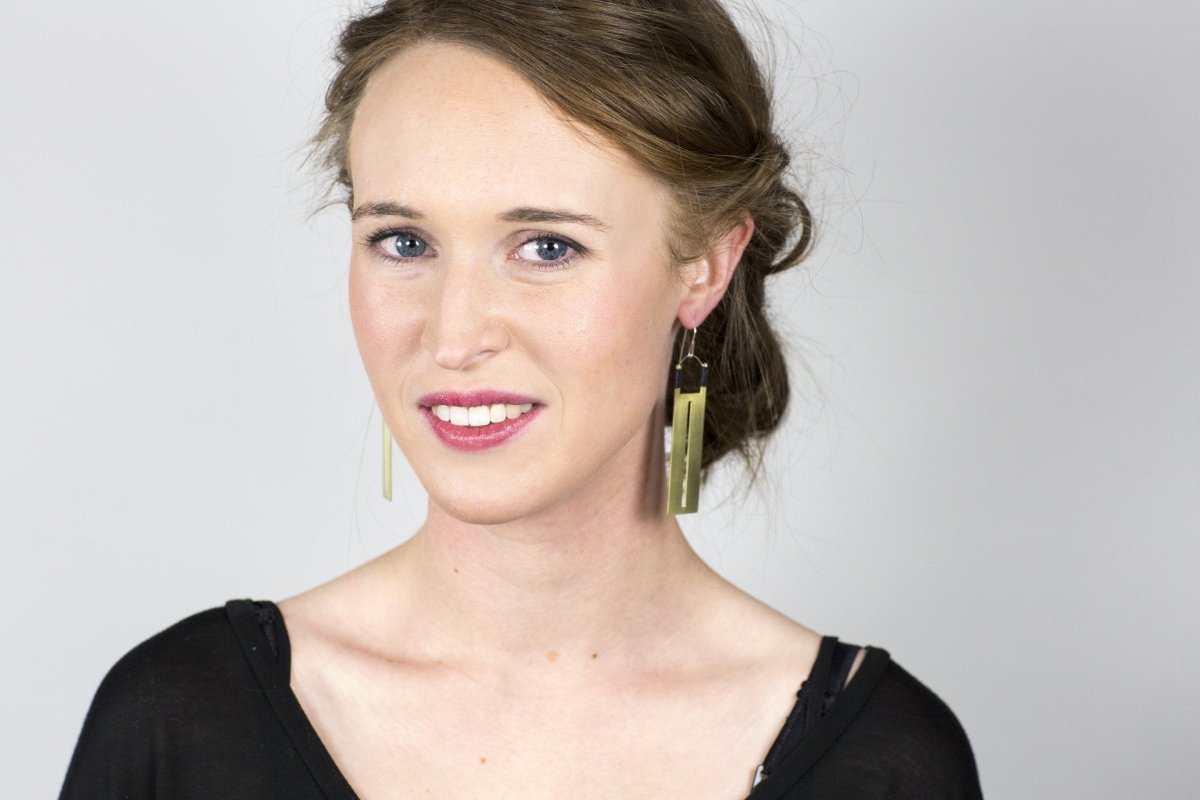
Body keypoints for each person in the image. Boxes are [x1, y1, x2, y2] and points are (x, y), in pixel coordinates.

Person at [59, 1, 983, 797]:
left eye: (546, 247)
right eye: (404, 242)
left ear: (704, 264)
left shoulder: (887, 764)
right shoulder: (175, 725)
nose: (454, 336)